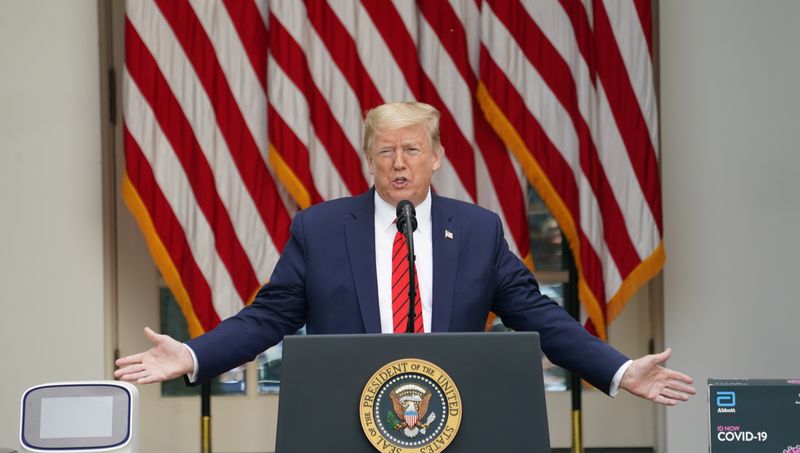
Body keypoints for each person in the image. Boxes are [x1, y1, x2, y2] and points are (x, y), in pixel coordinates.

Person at [115, 102, 694, 406]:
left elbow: (538, 317)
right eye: (385, 150)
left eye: (412, 149)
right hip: (347, 417)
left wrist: (618, 370)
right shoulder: (319, 230)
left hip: (453, 416)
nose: (398, 163)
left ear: (436, 157)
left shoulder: (477, 230)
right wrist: (191, 357)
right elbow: (268, 318)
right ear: (368, 159)